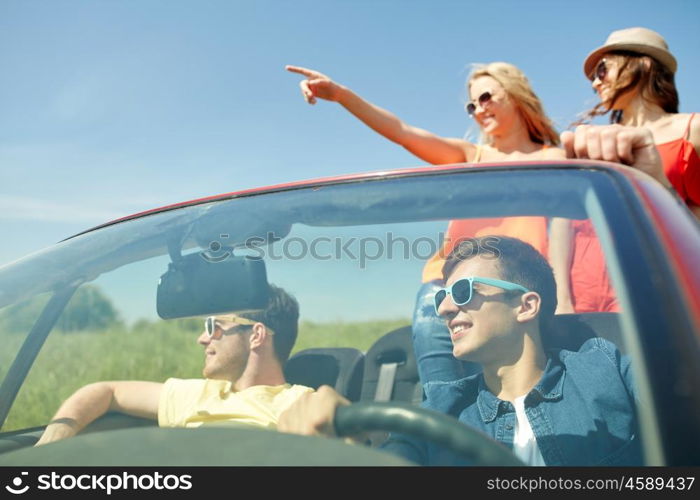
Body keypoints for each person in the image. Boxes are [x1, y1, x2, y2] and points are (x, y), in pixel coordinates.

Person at [287, 62, 565, 386]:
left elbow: (565, 234)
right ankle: (439, 430)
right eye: (471, 105)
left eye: (486, 97)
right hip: (448, 286)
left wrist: (565, 301)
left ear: (515, 94)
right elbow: (403, 132)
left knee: (515, 391)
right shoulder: (470, 155)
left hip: (516, 291)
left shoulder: (556, 160)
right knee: (444, 392)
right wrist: (341, 95)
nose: (478, 110)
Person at [279, 235, 642, 466]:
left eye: (464, 292)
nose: (445, 309)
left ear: (526, 306)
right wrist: (348, 449)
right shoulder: (439, 412)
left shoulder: (607, 368)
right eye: (442, 297)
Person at [36, 284, 313, 445]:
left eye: (214, 326)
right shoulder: (197, 394)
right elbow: (105, 391)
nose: (202, 339)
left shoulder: (299, 403)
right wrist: (52, 442)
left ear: (256, 335)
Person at [551, 26, 697, 313]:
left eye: (602, 70)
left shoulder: (693, 129)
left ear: (643, 63)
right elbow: (563, 224)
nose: (595, 83)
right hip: (585, 296)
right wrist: (562, 299)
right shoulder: (594, 144)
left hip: (661, 294)